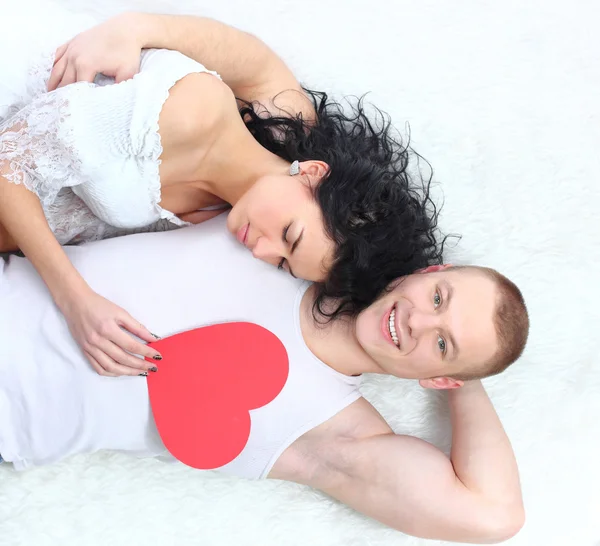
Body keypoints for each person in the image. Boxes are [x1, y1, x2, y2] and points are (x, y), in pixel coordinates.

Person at [0, 215, 529, 543]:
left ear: (440, 379)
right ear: (428, 273)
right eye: (439, 299)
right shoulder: (294, 233)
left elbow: (493, 515)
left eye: (443, 344)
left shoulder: (330, 432)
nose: (417, 321)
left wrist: (469, 379)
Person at [0, 4, 443, 378]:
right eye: (289, 235)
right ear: (311, 172)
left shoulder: (230, 213)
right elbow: (7, 164)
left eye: (283, 264)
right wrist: (76, 301)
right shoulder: (189, 114)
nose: (263, 252)